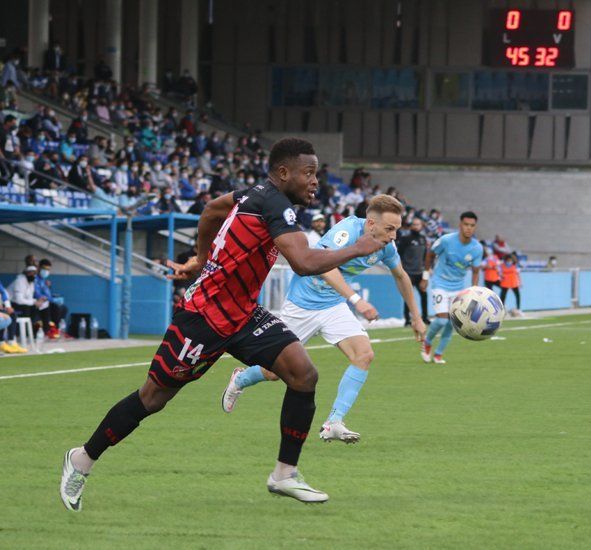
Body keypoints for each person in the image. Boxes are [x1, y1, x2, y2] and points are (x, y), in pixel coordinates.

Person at [59, 137, 385, 510]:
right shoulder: (273, 204)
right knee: (153, 398)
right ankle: (81, 459)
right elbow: (304, 262)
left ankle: (284, 474)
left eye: (317, 173)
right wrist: (360, 248)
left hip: (243, 313)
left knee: (303, 374)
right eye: (308, 173)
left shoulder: (255, 195)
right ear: (283, 173)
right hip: (204, 317)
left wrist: (202, 257)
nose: (315, 181)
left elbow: (214, 209)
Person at [222, 194, 426, 443]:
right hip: (302, 306)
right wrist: (356, 300)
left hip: (333, 306)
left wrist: (416, 317)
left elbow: (401, 276)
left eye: (397, 229)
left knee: (364, 354)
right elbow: (325, 266)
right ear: (371, 224)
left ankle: (334, 422)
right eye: (389, 229)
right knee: (275, 372)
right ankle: (241, 378)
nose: (394, 235)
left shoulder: (386, 247)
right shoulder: (346, 231)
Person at [420, 211, 483, 364]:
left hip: (458, 288)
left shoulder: (477, 248)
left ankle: (438, 354)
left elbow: (475, 272)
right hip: (440, 283)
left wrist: (474, 292)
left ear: (475, 227)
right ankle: (427, 342)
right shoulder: (446, 241)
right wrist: (425, 277)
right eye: (466, 225)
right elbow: (430, 254)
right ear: (460, 225)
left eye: (472, 226)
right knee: (442, 320)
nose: (468, 228)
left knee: (453, 323)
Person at [395, 217, 429, 327]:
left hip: (420, 272)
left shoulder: (423, 239)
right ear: (411, 226)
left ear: (421, 226)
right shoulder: (406, 239)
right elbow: (398, 254)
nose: (416, 226)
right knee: (408, 296)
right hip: (408, 272)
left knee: (424, 295)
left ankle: (425, 317)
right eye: (414, 224)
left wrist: (426, 271)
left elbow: (425, 257)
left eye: (418, 224)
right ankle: (407, 319)